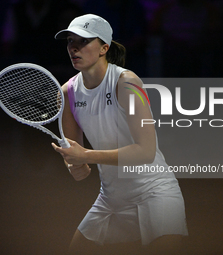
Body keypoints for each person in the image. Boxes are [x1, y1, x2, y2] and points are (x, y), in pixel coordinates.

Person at [52, 14, 188, 255]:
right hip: (111, 199)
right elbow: (76, 153)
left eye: (83, 41)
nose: (73, 47)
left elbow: (145, 151)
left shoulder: (127, 82)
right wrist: (73, 164)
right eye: (70, 41)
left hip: (155, 192)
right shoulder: (67, 93)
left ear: (104, 47)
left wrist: (86, 156)